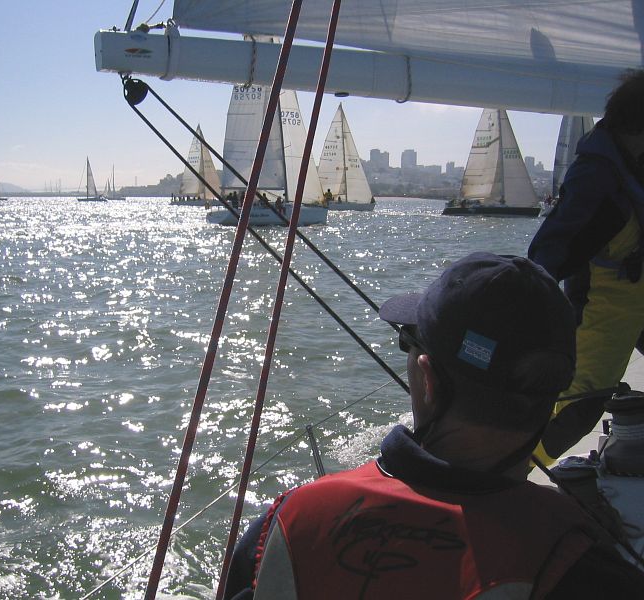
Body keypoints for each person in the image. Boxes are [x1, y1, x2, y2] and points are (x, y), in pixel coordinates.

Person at [224, 253, 644, 600]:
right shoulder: (585, 562)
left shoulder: (287, 524)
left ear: (430, 381)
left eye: (409, 340)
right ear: (557, 389)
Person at [528, 69, 644, 466]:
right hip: (605, 307)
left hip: (635, 302)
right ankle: (501, 474)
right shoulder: (598, 179)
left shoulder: (630, 161)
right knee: (579, 406)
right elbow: (548, 252)